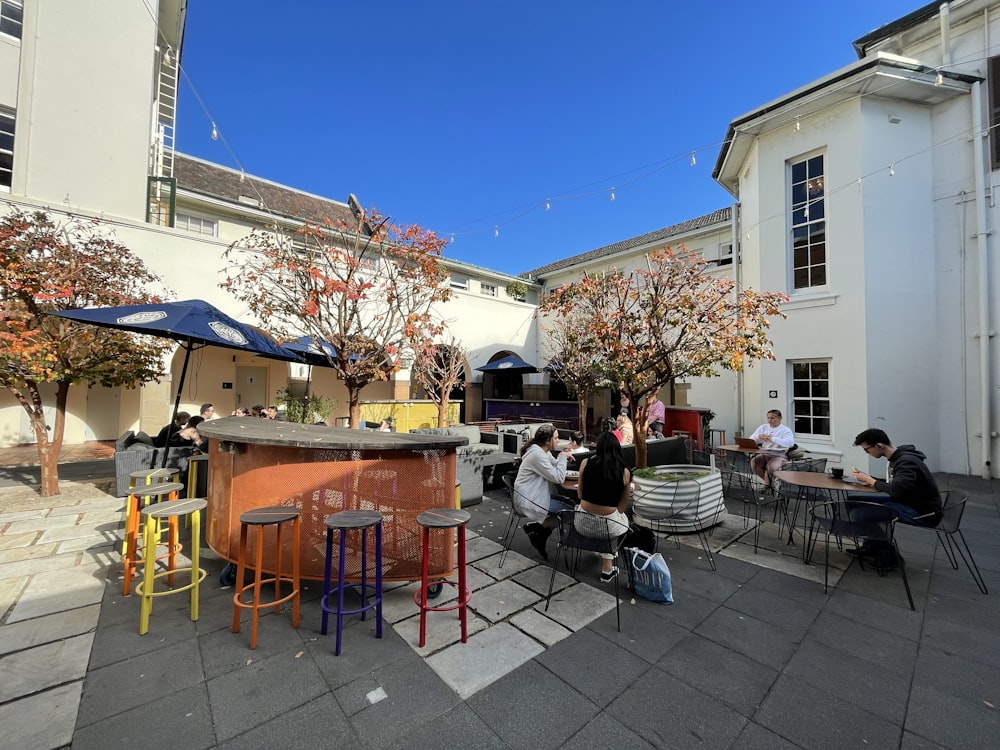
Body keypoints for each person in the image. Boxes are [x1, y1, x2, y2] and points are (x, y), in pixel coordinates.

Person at [576, 431, 633, 582]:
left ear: (598, 447)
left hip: (582, 523)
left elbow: (580, 495)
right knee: (617, 521)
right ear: (617, 448)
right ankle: (607, 568)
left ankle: (601, 554)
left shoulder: (585, 463)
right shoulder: (625, 473)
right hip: (608, 527)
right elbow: (621, 507)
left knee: (605, 521)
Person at [513, 423, 575, 559]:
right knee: (571, 511)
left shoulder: (541, 451)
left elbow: (554, 465)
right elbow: (558, 477)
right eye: (556, 438)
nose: (558, 441)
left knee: (569, 506)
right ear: (548, 441)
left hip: (532, 496)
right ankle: (539, 530)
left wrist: (561, 454)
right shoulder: (537, 454)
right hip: (528, 500)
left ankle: (538, 531)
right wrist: (563, 457)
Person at [748, 409, 795, 486]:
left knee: (771, 466)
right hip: (765, 454)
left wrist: (773, 439)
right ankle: (769, 484)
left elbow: (790, 443)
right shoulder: (763, 427)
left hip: (779, 455)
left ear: (779, 418)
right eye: (768, 418)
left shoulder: (785, 430)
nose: (770, 420)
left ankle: (768, 485)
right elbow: (751, 439)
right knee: (754, 463)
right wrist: (758, 437)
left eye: (772, 418)